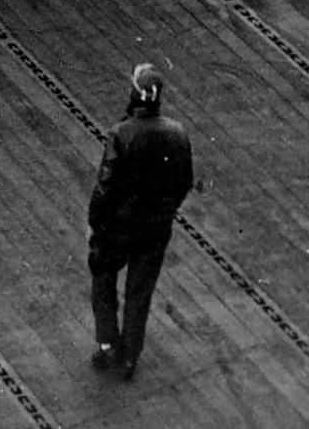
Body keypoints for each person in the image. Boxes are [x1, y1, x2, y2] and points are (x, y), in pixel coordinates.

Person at [86, 61, 195, 381]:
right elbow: (184, 181)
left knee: (104, 278)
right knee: (139, 291)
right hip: (154, 229)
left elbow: (105, 187)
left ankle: (108, 344)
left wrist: (96, 221)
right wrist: (164, 212)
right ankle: (131, 356)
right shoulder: (177, 133)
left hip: (117, 228)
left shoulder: (121, 134)